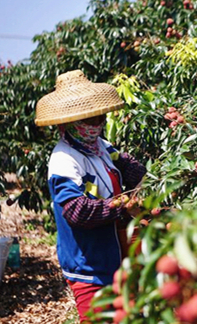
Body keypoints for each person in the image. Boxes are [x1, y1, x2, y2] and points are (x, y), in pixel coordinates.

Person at [35, 70, 146, 323]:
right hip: (90, 266)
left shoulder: (102, 148)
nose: (97, 124)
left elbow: (135, 170)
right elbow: (77, 211)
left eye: (100, 117)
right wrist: (122, 207)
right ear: (71, 122)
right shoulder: (63, 160)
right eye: (90, 119)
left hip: (119, 257)